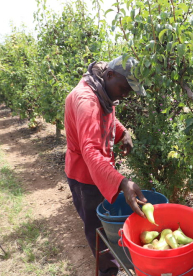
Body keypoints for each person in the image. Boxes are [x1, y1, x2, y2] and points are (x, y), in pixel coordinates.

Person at [64, 56, 148, 276]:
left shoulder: (102, 89)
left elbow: (106, 113)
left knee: (104, 222)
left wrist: (122, 132)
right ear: (110, 75)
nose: (125, 95)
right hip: (85, 176)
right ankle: (108, 270)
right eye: (124, 88)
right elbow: (91, 151)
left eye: (129, 91)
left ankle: (112, 261)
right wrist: (122, 182)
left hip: (98, 170)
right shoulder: (86, 101)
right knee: (96, 228)